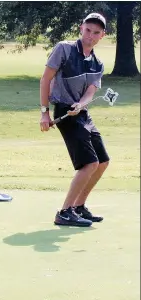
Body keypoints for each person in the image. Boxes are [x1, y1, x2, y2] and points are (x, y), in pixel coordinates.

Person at [39, 13, 110, 227]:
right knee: (90, 163)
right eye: (88, 30)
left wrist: (82, 104)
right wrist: (44, 112)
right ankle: (64, 212)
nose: (90, 36)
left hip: (81, 114)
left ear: (102, 35)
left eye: (96, 32)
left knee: (103, 161)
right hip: (63, 111)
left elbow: (91, 90)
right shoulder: (64, 49)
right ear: (81, 28)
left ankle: (79, 206)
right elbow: (46, 79)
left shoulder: (98, 63)